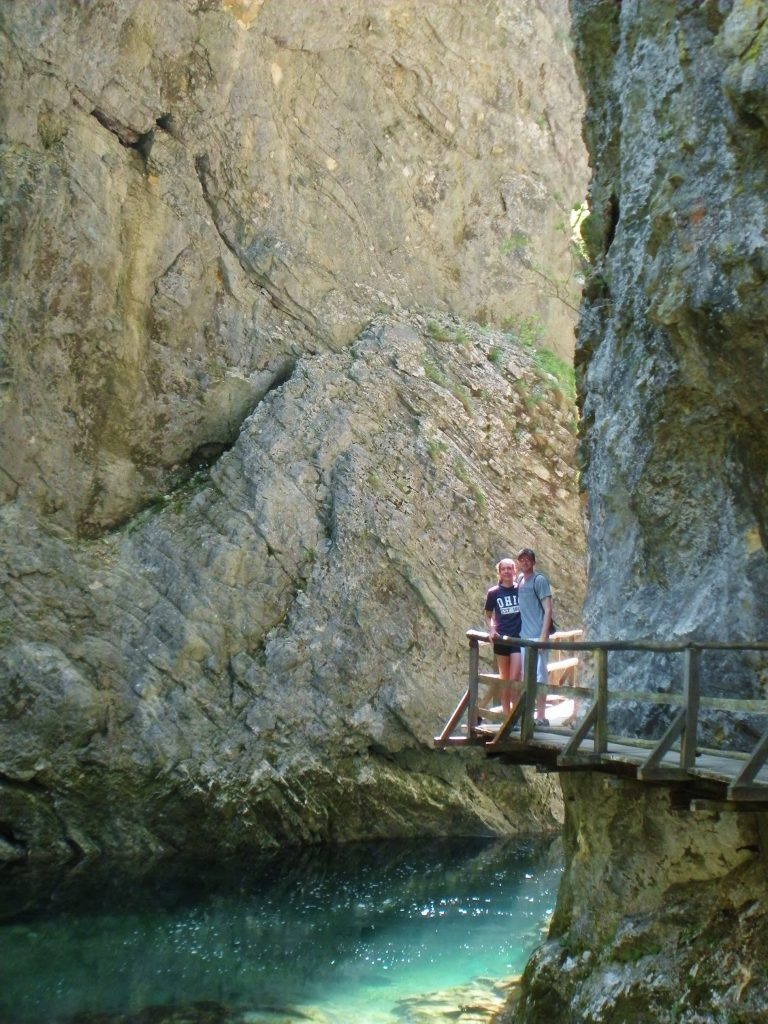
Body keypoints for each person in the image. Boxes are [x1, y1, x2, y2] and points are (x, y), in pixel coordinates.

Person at [516, 548, 554, 726]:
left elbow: (548, 609)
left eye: (528, 559)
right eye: (521, 559)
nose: (525, 562)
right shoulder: (520, 580)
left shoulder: (540, 581)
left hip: (537, 636)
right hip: (524, 637)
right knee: (526, 676)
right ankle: (528, 714)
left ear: (533, 562)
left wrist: (543, 637)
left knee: (539, 676)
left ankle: (541, 716)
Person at [483, 558, 523, 716]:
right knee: (504, 679)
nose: (507, 571)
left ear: (515, 571)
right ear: (499, 572)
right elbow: (488, 614)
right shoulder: (493, 593)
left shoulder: (521, 590)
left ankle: (516, 714)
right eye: (503, 569)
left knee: (515, 678)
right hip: (501, 639)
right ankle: (507, 716)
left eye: (509, 568)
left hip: (518, 638)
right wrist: (492, 628)